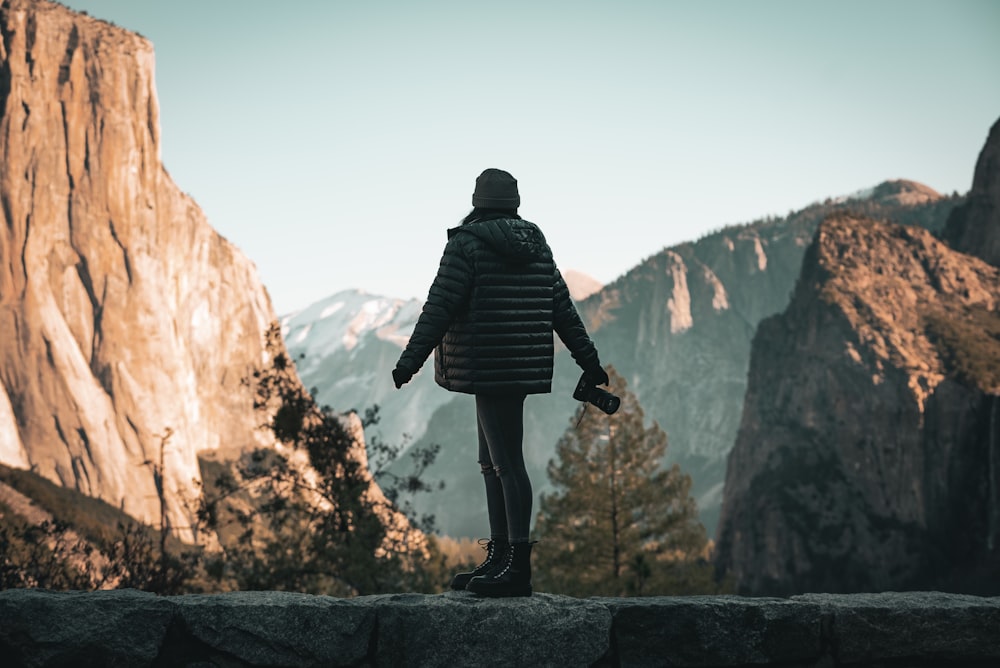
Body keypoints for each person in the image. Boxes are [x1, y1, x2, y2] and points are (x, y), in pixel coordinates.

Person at [392, 168, 609, 597]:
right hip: (518, 367)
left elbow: (438, 307)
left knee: (506, 464)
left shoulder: (466, 245)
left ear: (478, 203)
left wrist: (409, 362)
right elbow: (562, 308)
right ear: (514, 205)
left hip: (487, 366)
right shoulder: (537, 245)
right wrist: (590, 361)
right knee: (492, 462)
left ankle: (516, 569)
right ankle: (499, 558)